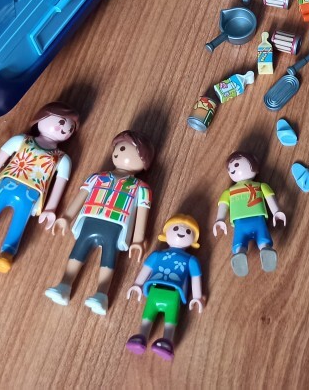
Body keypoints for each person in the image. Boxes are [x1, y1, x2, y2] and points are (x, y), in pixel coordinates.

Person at [0, 103, 78, 273]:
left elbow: (60, 184)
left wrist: (50, 209)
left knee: (19, 224)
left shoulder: (62, 159)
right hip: (8, 184)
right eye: (61, 122)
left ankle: (7, 253)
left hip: (32, 195)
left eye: (70, 127)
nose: (63, 128)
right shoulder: (21, 140)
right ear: (41, 117)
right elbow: (0, 158)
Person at [44, 130, 154, 315]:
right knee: (78, 251)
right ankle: (64, 285)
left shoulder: (141, 188)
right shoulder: (97, 177)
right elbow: (81, 196)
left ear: (143, 160)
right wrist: (67, 217)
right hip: (90, 219)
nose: (120, 152)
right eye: (119, 147)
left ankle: (102, 294)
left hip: (116, 225)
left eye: (126, 149)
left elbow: (142, 213)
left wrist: (137, 240)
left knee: (109, 258)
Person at [124, 214, 206, 360]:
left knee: (170, 319)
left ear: (194, 240)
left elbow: (195, 278)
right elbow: (146, 270)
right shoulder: (157, 255)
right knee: (148, 315)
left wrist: (197, 297)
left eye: (188, 231)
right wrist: (137, 285)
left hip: (174, 294)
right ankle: (141, 336)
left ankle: (167, 342)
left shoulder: (191, 260)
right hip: (154, 290)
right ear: (165, 233)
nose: (181, 233)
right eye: (175, 228)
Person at [213, 151, 287, 276]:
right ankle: (241, 254)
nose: (233, 169)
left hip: (254, 220)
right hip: (245, 222)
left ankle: (262, 250)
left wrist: (276, 212)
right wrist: (219, 219)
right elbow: (223, 204)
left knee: (253, 239)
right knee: (242, 240)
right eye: (230, 168)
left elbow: (269, 197)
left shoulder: (260, 186)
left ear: (253, 164)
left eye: (236, 165)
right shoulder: (229, 192)